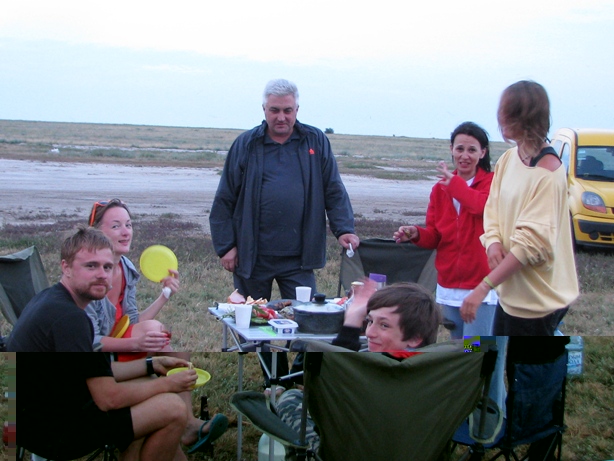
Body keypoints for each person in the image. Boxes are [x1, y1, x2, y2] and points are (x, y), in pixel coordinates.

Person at [209, 78, 359, 383]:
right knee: (255, 325)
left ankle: (296, 379)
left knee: (311, 320)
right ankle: (273, 380)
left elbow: (333, 188)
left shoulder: (315, 141)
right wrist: (226, 246)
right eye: (274, 110)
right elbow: (225, 198)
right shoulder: (246, 144)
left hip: (299, 258)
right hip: (253, 256)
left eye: (287, 110)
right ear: (264, 109)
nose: (281, 117)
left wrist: (344, 228)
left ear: (297, 109)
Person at [460, 81, 579, 336]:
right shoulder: (508, 159)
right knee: (486, 349)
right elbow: (492, 208)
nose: (500, 119)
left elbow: (530, 245)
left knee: (490, 350)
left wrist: (484, 287)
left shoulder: (548, 174)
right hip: (507, 294)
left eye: (506, 113)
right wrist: (492, 242)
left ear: (524, 118)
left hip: (536, 301)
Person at [17, 353, 229, 460]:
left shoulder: (63, 307)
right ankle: (186, 427)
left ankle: (186, 429)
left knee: (151, 396)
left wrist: (151, 364)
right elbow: (110, 399)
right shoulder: (75, 319)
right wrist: (167, 384)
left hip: (42, 410)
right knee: (171, 408)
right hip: (56, 428)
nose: (105, 282)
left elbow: (97, 369)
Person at [393, 122, 497, 338]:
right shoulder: (439, 189)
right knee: (458, 347)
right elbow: (435, 237)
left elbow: (481, 207)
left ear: (483, 153)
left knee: (476, 347)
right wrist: (416, 233)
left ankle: (486, 362)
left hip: (482, 285)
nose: (465, 156)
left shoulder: (493, 183)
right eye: (460, 149)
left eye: (472, 150)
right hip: (449, 285)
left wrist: (455, 184)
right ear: (451, 149)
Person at [86, 198, 178, 354]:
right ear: (96, 232)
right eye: (116, 226)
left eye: (128, 225)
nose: (125, 232)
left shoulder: (126, 267)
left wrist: (165, 295)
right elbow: (91, 341)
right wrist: (136, 344)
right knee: (154, 336)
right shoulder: (88, 276)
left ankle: (178, 367)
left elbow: (132, 321)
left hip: (118, 340)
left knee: (155, 331)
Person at [7, 226, 114, 352]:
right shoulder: (70, 317)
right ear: (66, 268)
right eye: (91, 266)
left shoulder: (47, 297)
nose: (102, 275)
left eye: (107, 267)